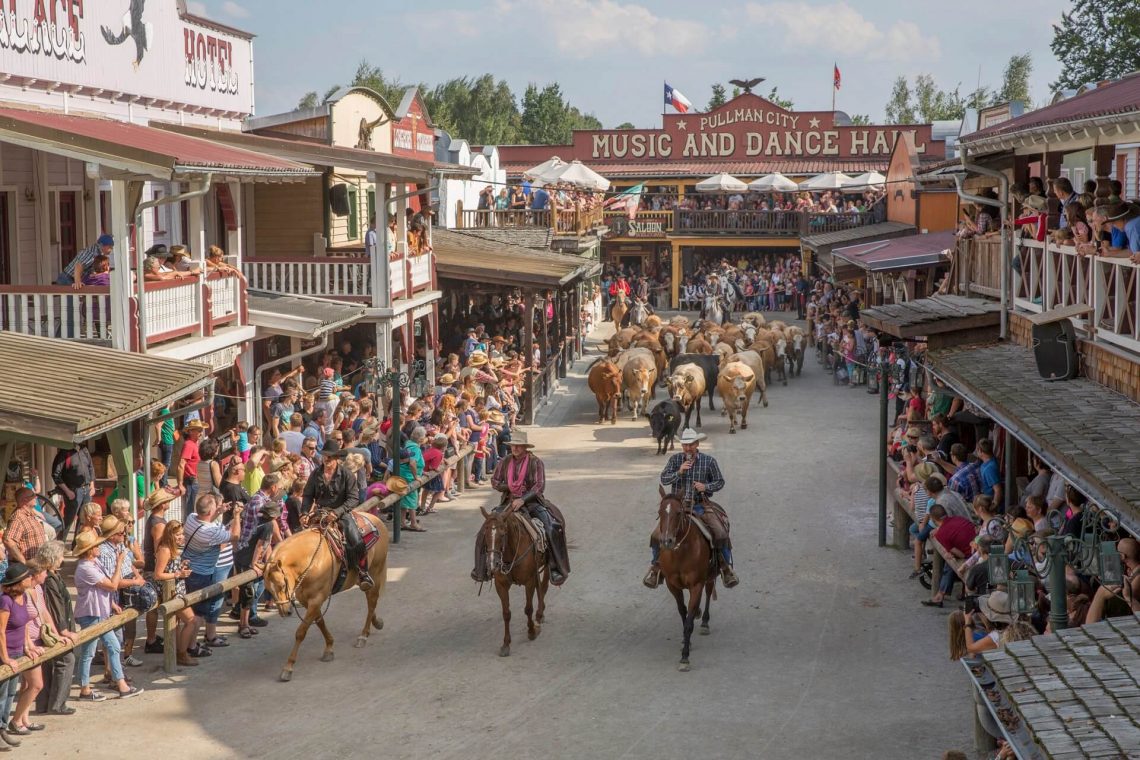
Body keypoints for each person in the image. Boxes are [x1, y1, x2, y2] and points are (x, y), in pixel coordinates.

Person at [472, 430, 570, 586]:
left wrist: (523, 499)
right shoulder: (504, 461)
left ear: (525, 447)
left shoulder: (535, 462)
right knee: (486, 528)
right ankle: (481, 568)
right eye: (513, 446)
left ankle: (556, 567)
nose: (515, 448)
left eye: (519, 446)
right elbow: (495, 481)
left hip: (532, 502)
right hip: (508, 502)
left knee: (552, 527)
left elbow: (539, 486)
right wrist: (510, 488)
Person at [645, 428, 739, 589]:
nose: (688, 448)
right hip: (676, 507)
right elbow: (664, 478)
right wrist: (679, 472)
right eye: (685, 445)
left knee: (720, 533)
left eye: (691, 445)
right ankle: (656, 567)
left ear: (697, 444)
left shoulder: (708, 461)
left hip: (700, 504)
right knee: (655, 536)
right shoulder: (675, 460)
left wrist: (705, 486)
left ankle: (726, 568)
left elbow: (720, 481)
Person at [72, 531, 142, 700]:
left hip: (100, 613)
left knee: (114, 646)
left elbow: (99, 588)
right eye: (96, 546)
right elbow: (111, 585)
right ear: (89, 550)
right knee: (88, 653)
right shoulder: (85, 568)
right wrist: (119, 563)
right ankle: (85, 689)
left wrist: (111, 604)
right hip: (90, 614)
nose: (99, 548)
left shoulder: (94, 562)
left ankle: (121, 685)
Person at [301, 442, 371, 589]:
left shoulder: (347, 475)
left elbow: (353, 498)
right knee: (299, 538)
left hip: (341, 513)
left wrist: (337, 512)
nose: (327, 459)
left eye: (330, 457)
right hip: (319, 513)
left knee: (356, 539)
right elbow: (307, 495)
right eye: (325, 456)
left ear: (337, 458)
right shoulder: (315, 474)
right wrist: (305, 513)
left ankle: (362, 572)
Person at [182, 494, 242, 655]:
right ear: (210, 511)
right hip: (202, 575)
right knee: (198, 614)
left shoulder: (191, 518)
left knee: (191, 611)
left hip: (189, 570)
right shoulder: (211, 533)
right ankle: (192, 646)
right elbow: (235, 536)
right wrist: (236, 516)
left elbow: (206, 519)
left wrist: (217, 512)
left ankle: (189, 644)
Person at [33, 542, 78, 716]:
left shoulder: (52, 576)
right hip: (54, 628)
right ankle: (57, 704)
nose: (62, 559)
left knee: (49, 664)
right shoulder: (50, 580)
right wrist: (63, 630)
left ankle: (45, 704)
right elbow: (54, 606)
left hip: (57, 625)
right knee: (66, 660)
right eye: (60, 556)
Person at [51, 442, 95, 548]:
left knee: (84, 519)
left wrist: (92, 485)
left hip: (86, 489)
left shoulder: (84, 449)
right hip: (73, 490)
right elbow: (56, 474)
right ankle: (59, 547)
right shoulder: (64, 453)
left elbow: (91, 468)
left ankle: (77, 545)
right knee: (69, 520)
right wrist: (67, 491)